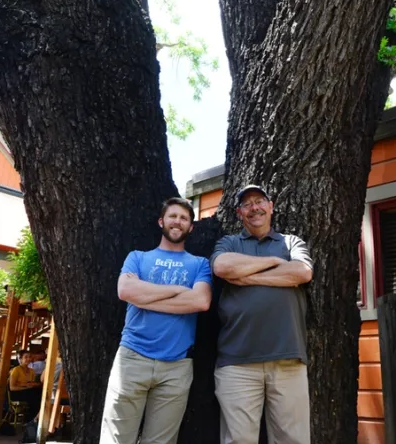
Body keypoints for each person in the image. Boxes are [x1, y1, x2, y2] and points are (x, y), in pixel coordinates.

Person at [100, 197, 213, 444]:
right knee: (115, 439)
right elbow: (126, 291)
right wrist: (179, 290)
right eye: (172, 216)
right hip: (132, 358)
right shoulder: (137, 257)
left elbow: (201, 302)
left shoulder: (200, 264)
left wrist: (145, 297)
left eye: (184, 218)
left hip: (176, 366)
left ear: (190, 227)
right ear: (161, 221)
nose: (177, 221)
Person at [211, 185, 314, 444]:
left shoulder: (291, 242)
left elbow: (302, 273)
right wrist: (276, 263)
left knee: (293, 440)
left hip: (288, 358)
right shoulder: (229, 243)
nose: (254, 208)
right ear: (239, 212)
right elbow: (222, 266)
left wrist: (246, 276)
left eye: (259, 201)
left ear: (271, 205)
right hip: (237, 362)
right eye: (247, 204)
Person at [9, 350, 42, 422]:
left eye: (29, 357)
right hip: (17, 393)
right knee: (34, 396)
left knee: (39, 393)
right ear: (20, 359)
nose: (28, 359)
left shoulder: (31, 371)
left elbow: (32, 383)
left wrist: (27, 385)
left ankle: (35, 419)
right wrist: (26, 386)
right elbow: (12, 387)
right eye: (26, 357)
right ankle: (30, 420)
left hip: (28, 391)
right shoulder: (16, 370)